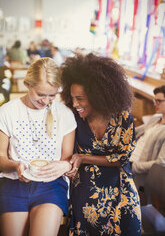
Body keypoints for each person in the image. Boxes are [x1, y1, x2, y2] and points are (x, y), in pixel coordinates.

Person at [61, 53, 141, 236]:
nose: (75, 104)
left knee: (129, 217)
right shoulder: (72, 117)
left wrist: (83, 157)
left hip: (119, 182)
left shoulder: (122, 116)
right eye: (72, 97)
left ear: (98, 95)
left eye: (80, 98)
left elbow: (123, 157)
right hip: (85, 185)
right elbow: (67, 153)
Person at [0, 57, 77, 236]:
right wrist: (16, 166)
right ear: (28, 85)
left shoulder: (64, 114)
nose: (46, 101)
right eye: (40, 94)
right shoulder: (7, 112)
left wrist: (65, 165)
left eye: (52, 95)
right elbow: (1, 158)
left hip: (51, 185)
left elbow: (67, 157)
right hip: (13, 183)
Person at [130, 85, 165, 190]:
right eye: (154, 100)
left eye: (159, 101)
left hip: (137, 172)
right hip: (128, 157)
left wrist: (133, 166)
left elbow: (159, 163)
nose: (155, 104)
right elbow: (135, 131)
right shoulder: (156, 118)